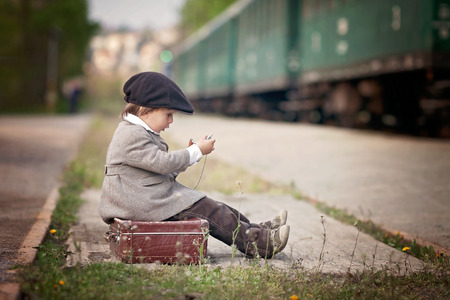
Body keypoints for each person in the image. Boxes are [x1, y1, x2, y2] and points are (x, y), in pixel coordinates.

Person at [98, 72, 290, 259]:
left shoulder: (137, 131)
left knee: (217, 207)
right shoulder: (131, 134)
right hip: (140, 203)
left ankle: (257, 230)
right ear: (145, 111)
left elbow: (157, 169)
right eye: (168, 114)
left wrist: (192, 154)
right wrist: (195, 151)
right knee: (211, 211)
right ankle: (260, 244)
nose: (171, 121)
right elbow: (163, 164)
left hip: (146, 198)